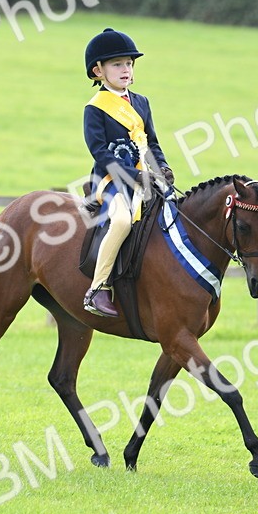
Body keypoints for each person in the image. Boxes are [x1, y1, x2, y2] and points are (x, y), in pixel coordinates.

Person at [81, 27, 175, 317]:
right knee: (122, 220)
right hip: (110, 180)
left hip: (144, 178)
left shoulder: (142, 103)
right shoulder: (95, 108)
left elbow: (151, 143)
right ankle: (97, 289)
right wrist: (133, 176)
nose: (126, 70)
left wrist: (163, 168)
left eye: (129, 64)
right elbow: (100, 152)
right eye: (117, 64)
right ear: (99, 71)